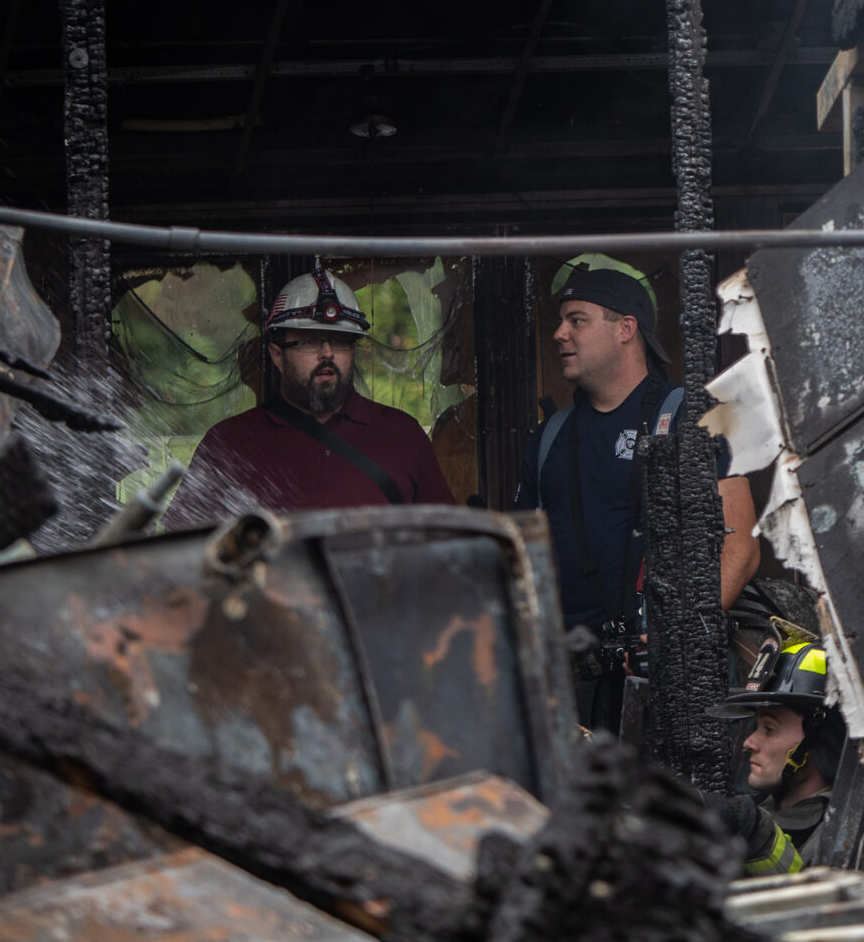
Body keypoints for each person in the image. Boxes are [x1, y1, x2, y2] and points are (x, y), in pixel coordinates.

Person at [514, 261, 761, 729]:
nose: (559, 334)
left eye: (577, 320)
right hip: (572, 693)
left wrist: (677, 640)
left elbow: (742, 549)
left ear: (626, 328)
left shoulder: (696, 418)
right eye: (560, 321)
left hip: (670, 681)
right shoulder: (548, 439)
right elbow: (520, 566)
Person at [177, 263, 456, 517]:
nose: (327, 353)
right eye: (310, 341)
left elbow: (448, 547)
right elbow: (182, 556)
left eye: (340, 341)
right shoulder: (229, 444)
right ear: (277, 355)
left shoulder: (403, 436)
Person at [717, 638, 845, 877]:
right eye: (757, 726)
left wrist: (755, 831)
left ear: (818, 737)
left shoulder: (843, 836)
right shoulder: (759, 807)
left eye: (769, 729)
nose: (749, 742)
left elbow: (810, 902)